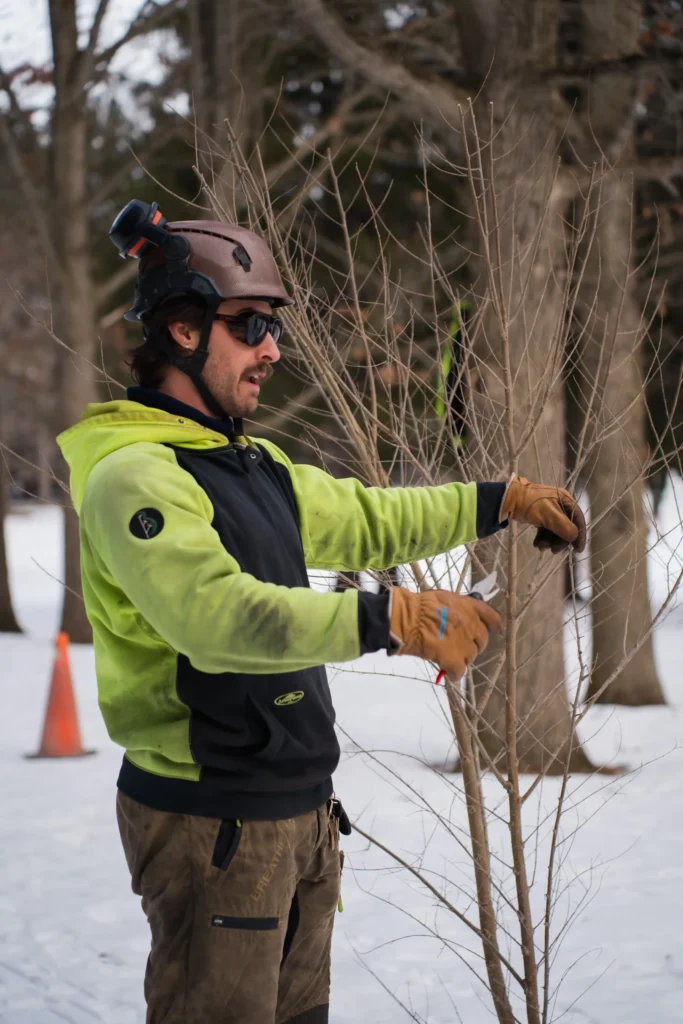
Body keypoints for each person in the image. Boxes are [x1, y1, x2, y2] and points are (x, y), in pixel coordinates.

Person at [57, 199, 587, 1024]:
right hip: (211, 818)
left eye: (275, 327)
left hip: (294, 808)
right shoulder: (139, 477)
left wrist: (501, 500)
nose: (272, 348)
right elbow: (216, 619)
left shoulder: (250, 463)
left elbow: (369, 517)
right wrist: (391, 620)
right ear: (185, 331)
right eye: (251, 325)